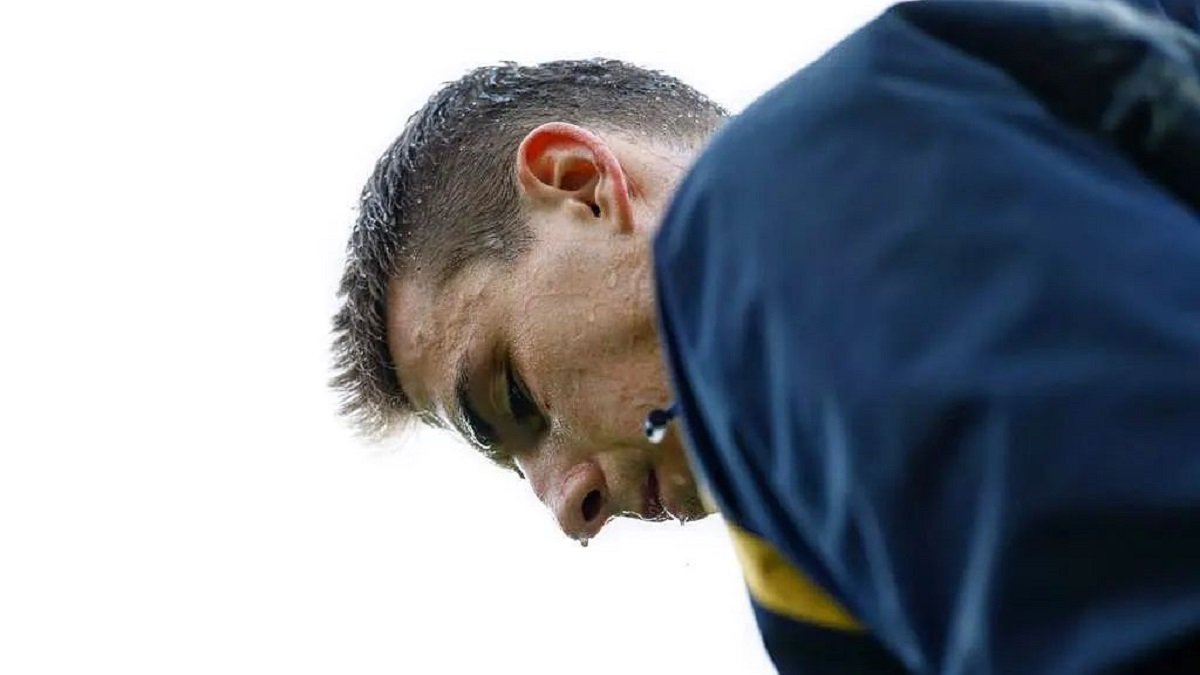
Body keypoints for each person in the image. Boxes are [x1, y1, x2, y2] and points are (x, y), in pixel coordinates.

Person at [332, 1, 1200, 672]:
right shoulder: (808, 566)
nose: (568, 507)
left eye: (514, 398)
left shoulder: (765, 215)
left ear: (582, 185)